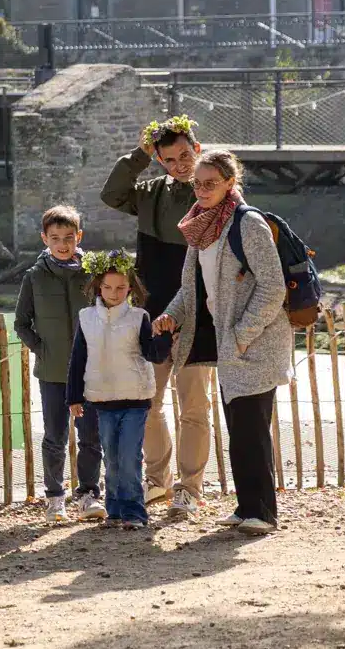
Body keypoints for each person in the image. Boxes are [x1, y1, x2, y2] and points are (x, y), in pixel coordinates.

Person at [152, 150, 290, 534]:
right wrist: (171, 315)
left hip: (257, 342)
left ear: (230, 183)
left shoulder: (248, 223)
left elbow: (273, 287)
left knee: (252, 429)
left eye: (210, 183)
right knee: (239, 428)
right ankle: (247, 507)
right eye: (197, 183)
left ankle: (263, 513)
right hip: (231, 345)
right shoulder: (202, 225)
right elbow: (191, 289)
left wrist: (243, 336)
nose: (201, 189)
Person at [102, 115, 210, 520]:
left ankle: (190, 489)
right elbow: (112, 194)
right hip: (151, 313)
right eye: (170, 159)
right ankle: (158, 480)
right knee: (148, 402)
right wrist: (140, 153)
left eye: (185, 155)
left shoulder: (212, 195)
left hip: (198, 313)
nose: (180, 165)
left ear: (197, 149)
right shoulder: (148, 194)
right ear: (160, 161)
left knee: (193, 406)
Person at [68, 253, 173, 531]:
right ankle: (114, 511)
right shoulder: (86, 318)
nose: (114, 293)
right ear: (98, 287)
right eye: (108, 287)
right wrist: (74, 397)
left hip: (135, 400)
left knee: (129, 458)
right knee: (112, 459)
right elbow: (78, 359)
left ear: (130, 289)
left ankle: (135, 513)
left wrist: (164, 337)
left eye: (120, 288)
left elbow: (153, 354)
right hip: (102, 402)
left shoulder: (139, 317)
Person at [14, 204, 103, 523]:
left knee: (90, 436)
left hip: (90, 371)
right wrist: (43, 349)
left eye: (68, 237)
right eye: (55, 238)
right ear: (44, 239)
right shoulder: (34, 277)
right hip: (52, 372)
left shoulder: (94, 273)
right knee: (54, 436)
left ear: (79, 236)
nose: (62, 244)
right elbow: (21, 323)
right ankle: (55, 498)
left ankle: (89, 495)